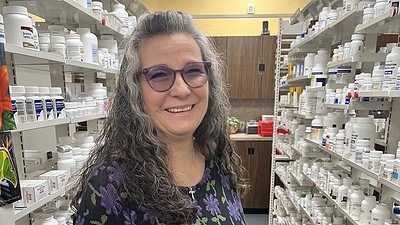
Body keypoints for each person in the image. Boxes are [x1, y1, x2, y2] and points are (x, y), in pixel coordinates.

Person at [71, 10, 248, 225]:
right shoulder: (110, 186)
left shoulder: (218, 161)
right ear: (134, 90)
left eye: (193, 70)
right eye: (159, 75)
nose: (182, 90)